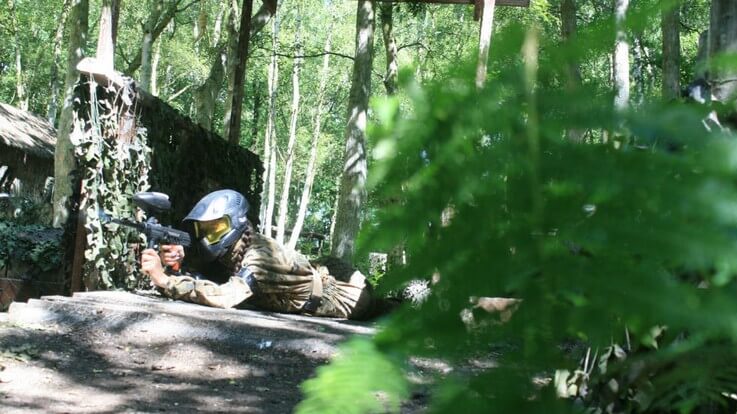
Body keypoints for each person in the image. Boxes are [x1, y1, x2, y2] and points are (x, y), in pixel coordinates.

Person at [140, 189, 378, 320]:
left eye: (215, 230)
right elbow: (219, 270)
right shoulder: (241, 247)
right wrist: (183, 259)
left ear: (235, 223)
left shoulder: (260, 258)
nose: (206, 239)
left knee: (386, 310)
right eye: (203, 232)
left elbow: (225, 296)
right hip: (315, 272)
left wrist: (165, 280)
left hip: (344, 294)